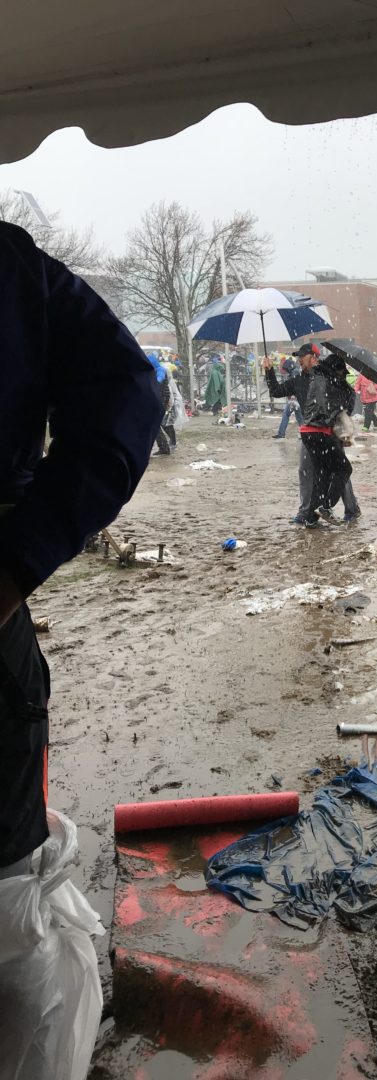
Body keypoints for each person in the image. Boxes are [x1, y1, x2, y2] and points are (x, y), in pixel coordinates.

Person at [0, 222, 163, 887]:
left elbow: (126, 393)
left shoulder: (11, 269)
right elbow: (128, 392)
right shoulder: (13, 266)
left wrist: (17, 562)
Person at [263, 344, 361, 524]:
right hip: (312, 432)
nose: (299, 359)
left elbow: (347, 403)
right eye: (298, 356)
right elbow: (276, 391)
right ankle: (309, 513)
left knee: (337, 473)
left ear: (314, 357)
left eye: (302, 356)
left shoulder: (328, 376)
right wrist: (269, 371)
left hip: (328, 433)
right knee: (310, 472)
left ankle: (350, 508)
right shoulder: (300, 379)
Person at [298, 352, 357, 527]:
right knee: (344, 468)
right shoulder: (333, 384)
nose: (342, 376)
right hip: (320, 433)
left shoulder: (316, 377)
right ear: (336, 370)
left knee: (322, 474)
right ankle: (326, 506)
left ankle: (311, 517)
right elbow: (343, 408)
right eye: (342, 373)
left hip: (307, 432)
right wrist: (347, 389)